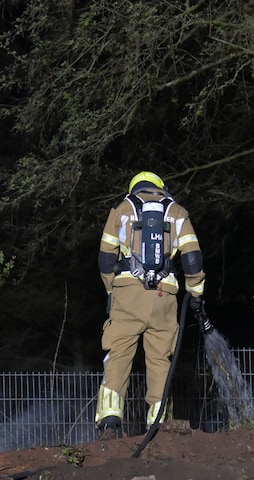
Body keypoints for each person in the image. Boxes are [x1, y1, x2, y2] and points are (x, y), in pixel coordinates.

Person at [94, 171, 205, 438]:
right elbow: (192, 257)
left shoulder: (121, 209)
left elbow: (105, 257)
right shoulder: (177, 212)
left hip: (127, 295)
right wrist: (195, 292)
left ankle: (109, 422)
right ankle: (158, 425)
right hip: (164, 298)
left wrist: (113, 289)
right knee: (160, 360)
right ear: (160, 187)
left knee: (118, 354)